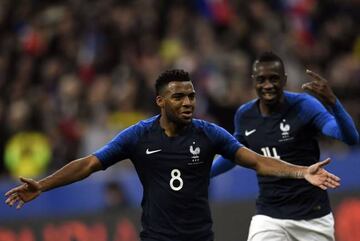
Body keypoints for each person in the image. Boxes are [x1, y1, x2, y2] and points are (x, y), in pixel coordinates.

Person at [5, 69, 340, 241]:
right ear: (160, 102)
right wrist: (43, 185)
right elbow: (89, 164)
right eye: (179, 97)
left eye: (191, 96)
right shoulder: (138, 135)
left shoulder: (209, 134)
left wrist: (301, 171)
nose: (189, 102)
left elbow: (256, 160)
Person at [211, 52, 359, 241]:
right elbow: (234, 154)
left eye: (274, 78)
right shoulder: (245, 115)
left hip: (312, 217)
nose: (268, 85)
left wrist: (334, 104)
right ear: (253, 80)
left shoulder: (305, 106)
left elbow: (349, 137)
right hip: (270, 216)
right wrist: (203, 172)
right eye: (262, 79)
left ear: (284, 80)